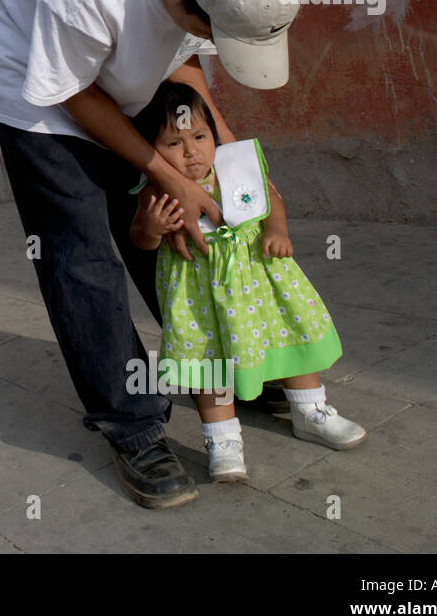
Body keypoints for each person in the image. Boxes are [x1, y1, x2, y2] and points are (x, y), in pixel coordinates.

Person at [0, 0, 303, 510]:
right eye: (211, 29)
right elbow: (73, 94)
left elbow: (184, 62)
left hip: (123, 63)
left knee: (175, 226)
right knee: (83, 252)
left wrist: (226, 153)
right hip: (37, 84)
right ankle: (133, 424)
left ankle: (224, 370)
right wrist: (167, 176)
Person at [129, 81, 365, 482]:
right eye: (173, 143)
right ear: (151, 148)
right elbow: (141, 239)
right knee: (209, 359)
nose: (191, 152)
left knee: (288, 333)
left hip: (259, 280)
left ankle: (310, 410)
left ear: (213, 135)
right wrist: (151, 227)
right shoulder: (155, 190)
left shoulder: (235, 168)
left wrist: (277, 230)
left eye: (200, 136)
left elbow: (271, 198)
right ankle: (221, 437)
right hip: (198, 295)